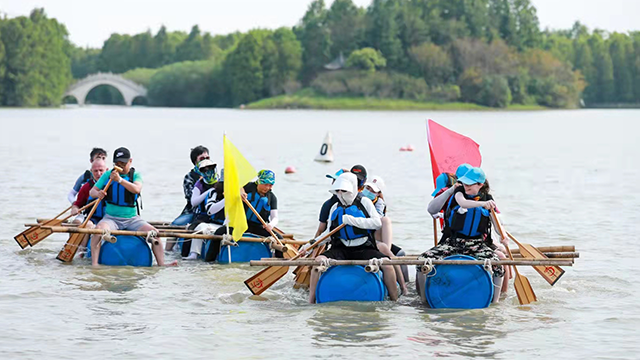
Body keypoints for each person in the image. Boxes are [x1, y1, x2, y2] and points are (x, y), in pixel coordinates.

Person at [417, 167, 505, 305]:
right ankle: (424, 300)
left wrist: (502, 236)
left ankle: (495, 302)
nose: (466, 186)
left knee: (498, 265)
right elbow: (462, 203)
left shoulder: (488, 199)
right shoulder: (458, 193)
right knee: (422, 261)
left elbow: (498, 227)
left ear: (480, 185)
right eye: (464, 183)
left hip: (477, 245)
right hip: (453, 243)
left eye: (469, 184)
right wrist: (452, 191)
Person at [308, 172, 398, 303]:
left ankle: (394, 299)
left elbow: (377, 223)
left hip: (363, 247)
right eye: (338, 191)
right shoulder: (335, 207)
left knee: (388, 265)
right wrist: (311, 244)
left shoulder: (365, 202)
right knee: (318, 261)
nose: (341, 194)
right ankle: (311, 300)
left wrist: (353, 221)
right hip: (341, 248)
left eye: (344, 191)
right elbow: (328, 232)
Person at [88, 147, 177, 267]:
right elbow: (92, 191)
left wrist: (119, 180)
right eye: (117, 163)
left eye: (123, 163)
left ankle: (161, 264)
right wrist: (98, 193)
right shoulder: (108, 175)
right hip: (111, 218)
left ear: (130, 161)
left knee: (155, 233)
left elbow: (136, 189)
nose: (120, 166)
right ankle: (95, 264)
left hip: (132, 218)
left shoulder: (135, 175)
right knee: (98, 231)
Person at [213, 169, 283, 257]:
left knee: (280, 239)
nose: (267, 188)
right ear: (259, 181)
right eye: (265, 185)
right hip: (241, 224)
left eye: (270, 185)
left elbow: (275, 217)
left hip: (258, 226)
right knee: (218, 233)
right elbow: (235, 185)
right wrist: (240, 191)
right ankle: (211, 260)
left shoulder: (272, 198)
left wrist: (270, 225)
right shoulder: (248, 187)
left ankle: (278, 261)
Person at [361, 175, 408, 295]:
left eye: (373, 191)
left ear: (378, 193)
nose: (369, 192)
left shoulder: (379, 203)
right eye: (368, 188)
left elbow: (376, 222)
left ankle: (405, 286)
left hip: (375, 238)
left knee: (399, 254)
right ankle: (403, 287)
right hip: (363, 239)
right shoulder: (357, 198)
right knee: (389, 253)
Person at [166, 145, 211, 251]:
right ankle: (167, 251)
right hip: (192, 211)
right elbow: (191, 198)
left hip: (211, 209)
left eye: (207, 158)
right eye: (202, 159)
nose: (205, 161)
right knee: (175, 226)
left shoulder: (213, 174)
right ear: (195, 161)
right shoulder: (189, 177)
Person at [181, 159, 224, 260]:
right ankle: (187, 255)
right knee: (191, 230)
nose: (208, 172)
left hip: (216, 216)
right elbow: (194, 202)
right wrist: (209, 191)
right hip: (203, 215)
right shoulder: (200, 184)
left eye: (211, 169)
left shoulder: (220, 182)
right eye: (205, 170)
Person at [69, 159, 108, 257]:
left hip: (110, 219)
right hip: (93, 219)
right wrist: (74, 209)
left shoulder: (113, 184)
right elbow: (77, 204)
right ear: (91, 171)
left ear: (106, 170)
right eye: (95, 171)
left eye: (101, 170)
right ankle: (81, 253)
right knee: (86, 225)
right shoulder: (86, 187)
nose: (98, 174)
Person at [314, 169, 349, 238]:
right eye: (333, 180)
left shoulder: (360, 201)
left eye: (337, 181)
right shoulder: (328, 205)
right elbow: (320, 231)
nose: (333, 184)